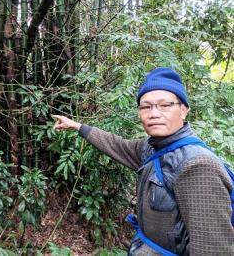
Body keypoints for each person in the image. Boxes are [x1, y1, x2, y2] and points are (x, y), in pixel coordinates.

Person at [52, 67, 234, 255]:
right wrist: (78, 126)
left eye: (165, 105)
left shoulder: (198, 166)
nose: (154, 113)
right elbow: (117, 145)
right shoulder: (152, 147)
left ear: (183, 111)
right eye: (146, 106)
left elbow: (213, 248)